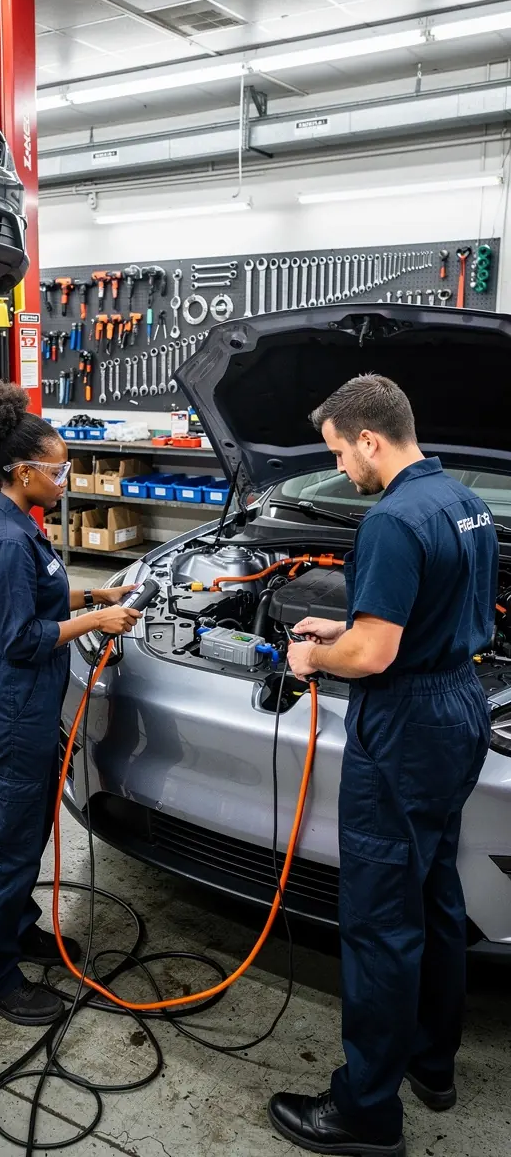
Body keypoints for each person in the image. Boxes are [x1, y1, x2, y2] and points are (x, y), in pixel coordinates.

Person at [268, 375, 498, 1157]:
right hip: (458, 705)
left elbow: (374, 655)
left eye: (340, 453)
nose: (341, 469)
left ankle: (365, 1113)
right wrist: (350, 625)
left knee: (378, 923)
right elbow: (427, 610)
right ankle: (432, 1066)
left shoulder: (393, 519)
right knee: (434, 895)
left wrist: (314, 655)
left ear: (370, 437)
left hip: (405, 726)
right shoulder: (462, 502)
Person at [0, 381, 142, 1027]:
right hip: (11, 700)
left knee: (30, 824)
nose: (65, 479)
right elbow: (19, 636)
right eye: (58, 470)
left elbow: (37, 597)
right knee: (5, 842)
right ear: (22, 472)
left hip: (30, 698)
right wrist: (97, 623)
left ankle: (15, 928)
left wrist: (91, 597)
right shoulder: (9, 541)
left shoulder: (16, 522)